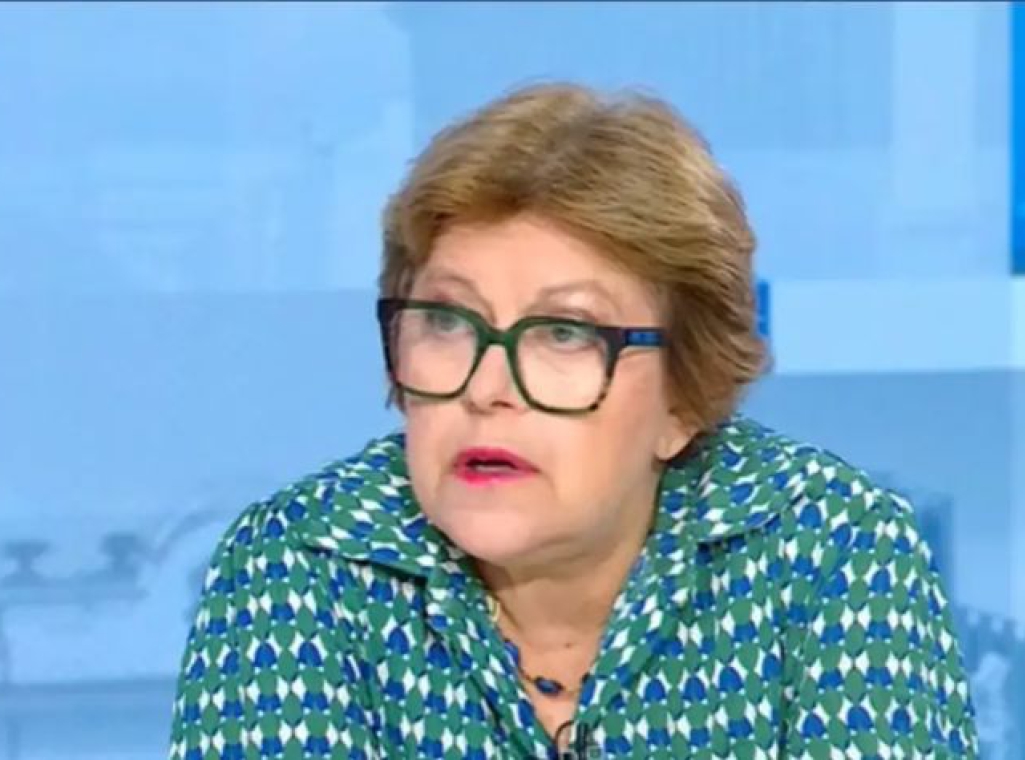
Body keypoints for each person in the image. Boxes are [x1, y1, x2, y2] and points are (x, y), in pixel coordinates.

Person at [169, 81, 978, 759]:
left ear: (684, 398)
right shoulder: (300, 561)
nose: (488, 388)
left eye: (564, 334)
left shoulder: (831, 547)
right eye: (448, 322)